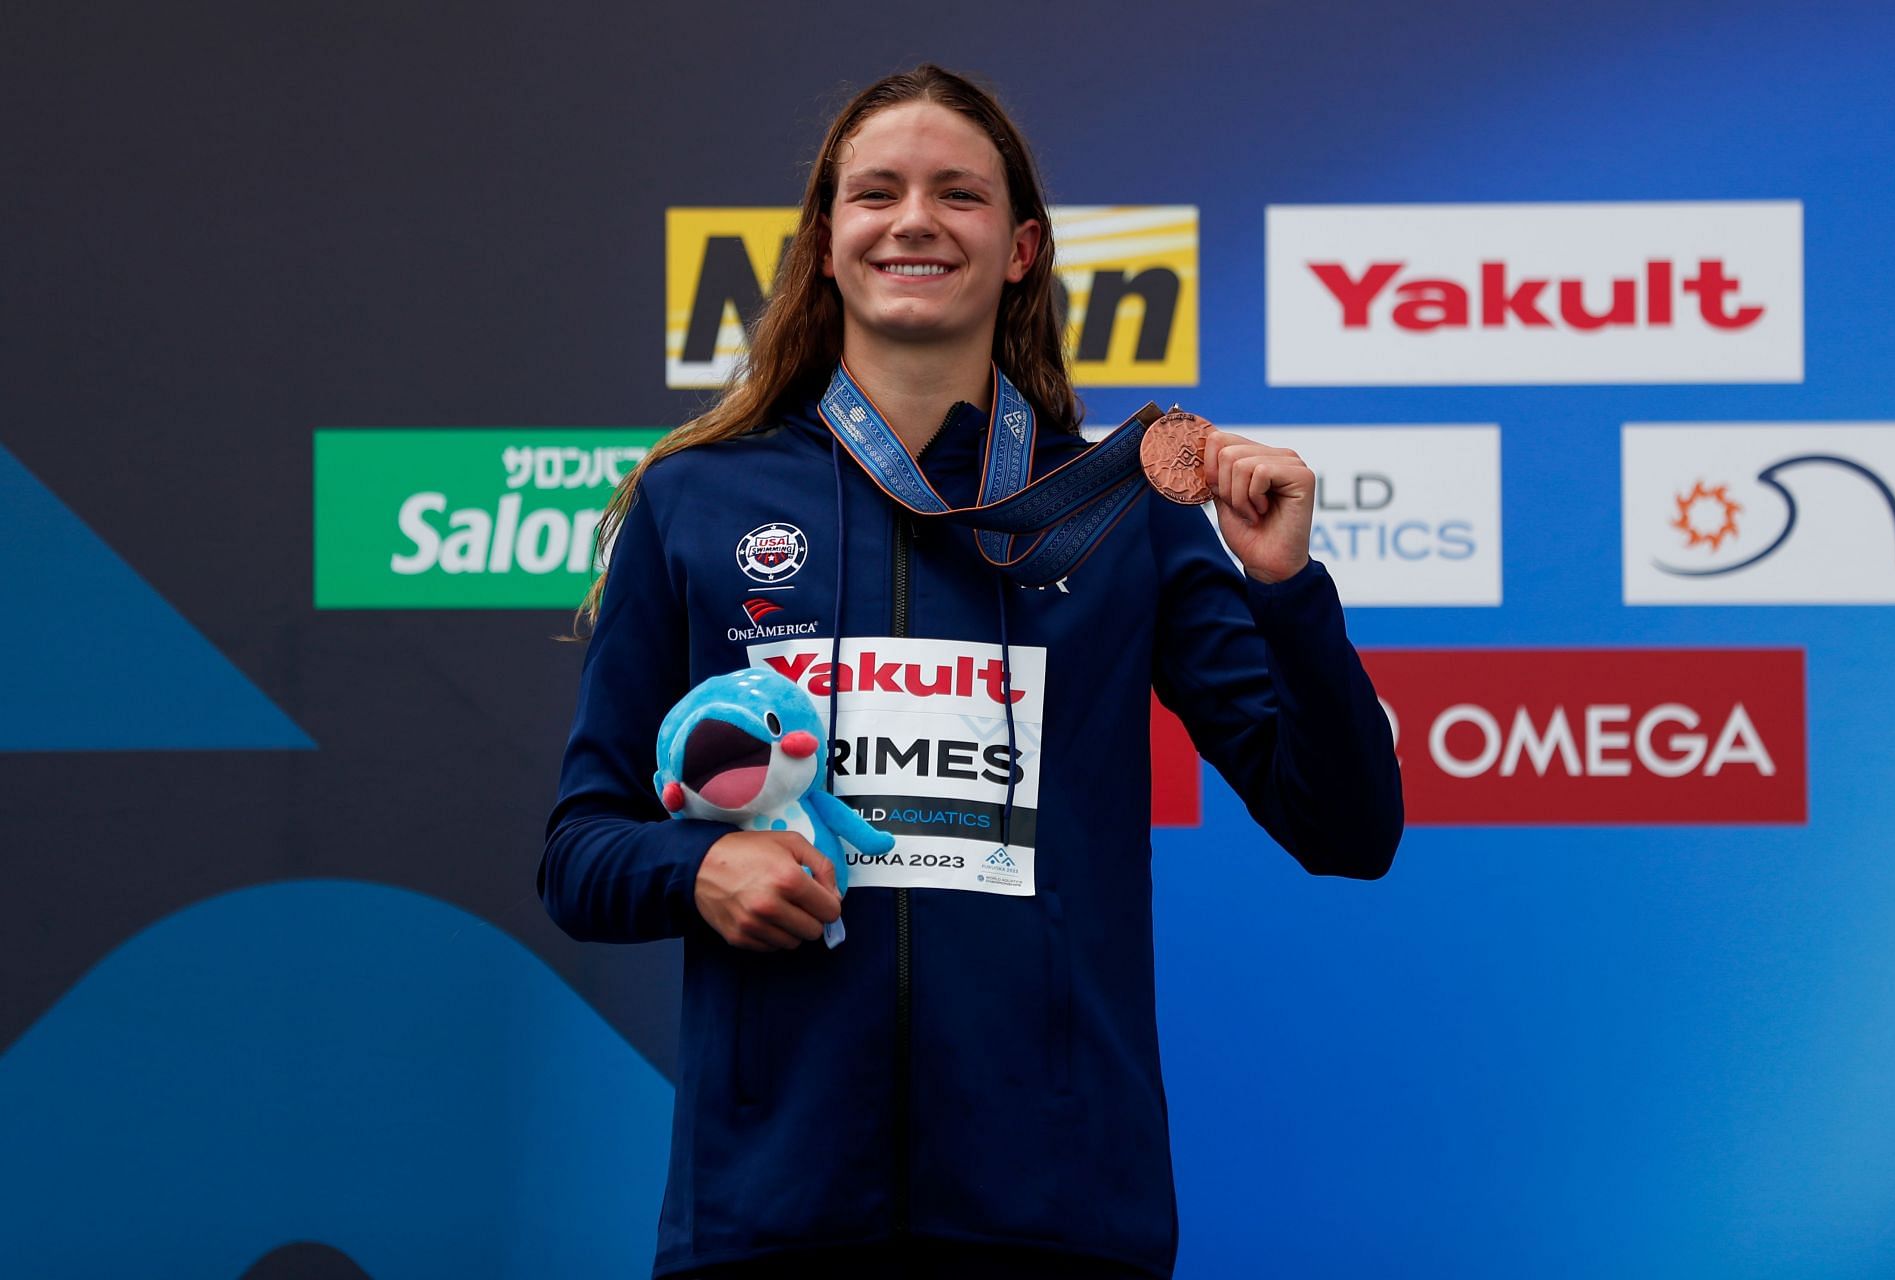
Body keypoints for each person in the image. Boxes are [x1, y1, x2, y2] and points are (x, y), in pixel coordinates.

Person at [540, 64, 1402, 1280]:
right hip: (772, 1210)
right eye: (876, 193)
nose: (914, 220)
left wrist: (1285, 590)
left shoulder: (1118, 511)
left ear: (1020, 250)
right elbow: (579, 849)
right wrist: (702, 863)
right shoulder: (696, 502)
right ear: (826, 245)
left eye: (960, 194)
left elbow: (1348, 825)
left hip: (1058, 1211)